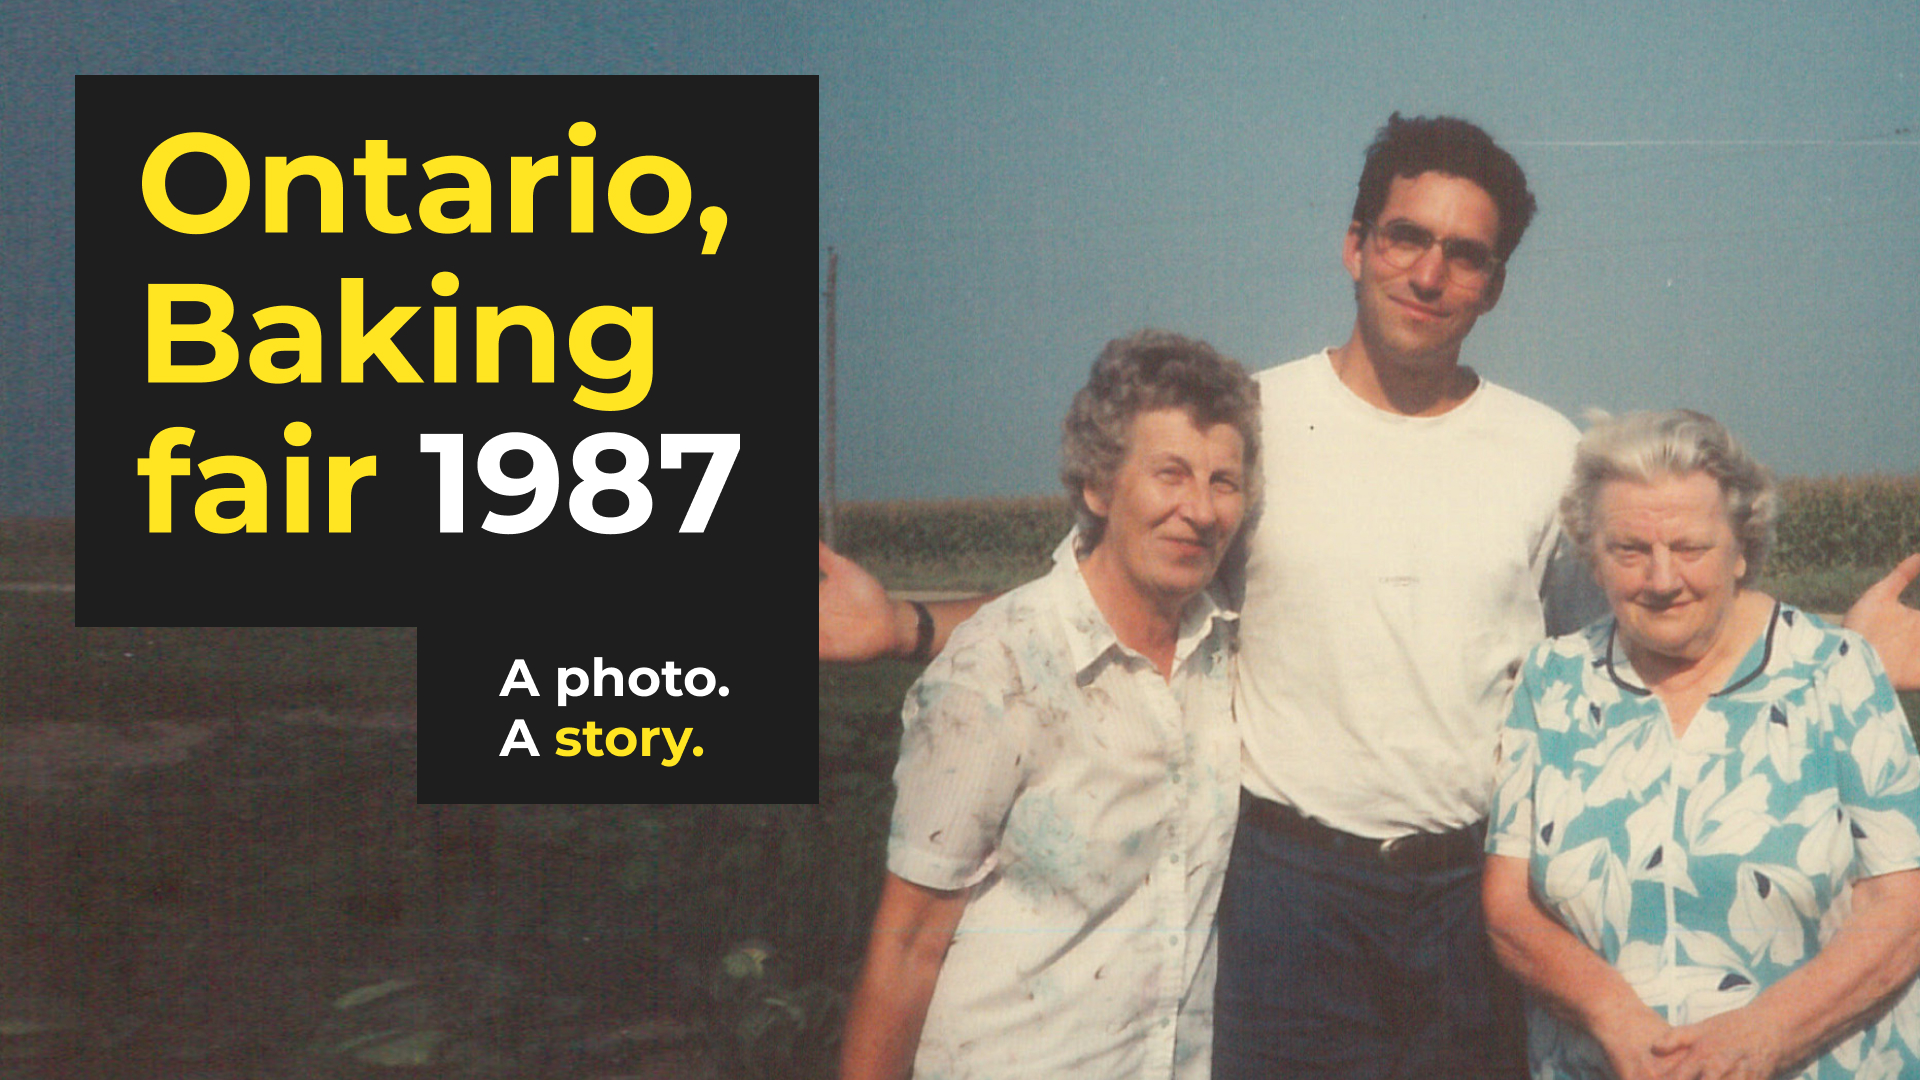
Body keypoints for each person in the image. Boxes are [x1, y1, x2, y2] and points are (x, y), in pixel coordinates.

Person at [818, 114, 1920, 1077]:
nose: (1429, 273)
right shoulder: (1252, 424)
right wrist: (904, 627)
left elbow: (1650, 617)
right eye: (1405, 237)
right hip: (1290, 891)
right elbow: (1107, 599)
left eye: (1466, 254)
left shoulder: (1544, 454)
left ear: (1494, 283)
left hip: (1474, 901)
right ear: (1355, 244)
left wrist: (1835, 645)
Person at [839, 330, 1261, 1079]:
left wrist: (908, 622)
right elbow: (908, 945)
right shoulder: (994, 673)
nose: (1199, 510)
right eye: (1170, 473)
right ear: (1098, 485)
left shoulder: (1223, 644)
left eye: (1223, 481)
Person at [1482, 409, 1920, 1080]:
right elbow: (1509, 907)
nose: (1662, 580)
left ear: (1742, 547)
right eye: (1630, 550)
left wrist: (1764, 1035)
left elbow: (1905, 906)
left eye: (1690, 548)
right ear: (1592, 557)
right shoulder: (1551, 681)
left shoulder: (1838, 670)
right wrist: (1612, 1015)